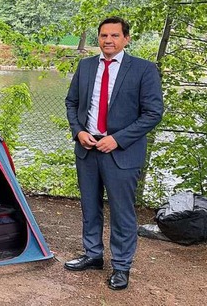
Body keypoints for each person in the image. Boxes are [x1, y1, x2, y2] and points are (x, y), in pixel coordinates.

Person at [64, 16, 163, 290]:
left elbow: (153, 113)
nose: (108, 40)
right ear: (99, 38)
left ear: (126, 39)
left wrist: (117, 140)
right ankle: (92, 254)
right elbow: (71, 102)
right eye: (104, 35)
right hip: (87, 149)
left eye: (115, 36)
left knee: (122, 212)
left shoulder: (143, 70)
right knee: (89, 206)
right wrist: (78, 131)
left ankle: (121, 266)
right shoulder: (85, 67)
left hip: (121, 152)